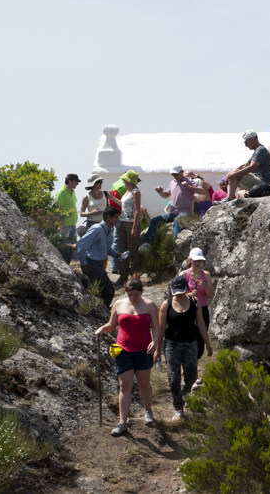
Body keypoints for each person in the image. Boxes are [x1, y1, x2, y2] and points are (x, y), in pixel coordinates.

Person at [94, 276, 161, 437]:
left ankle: (148, 411)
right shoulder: (118, 304)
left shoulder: (150, 305)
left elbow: (156, 327)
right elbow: (112, 325)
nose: (132, 298)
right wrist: (102, 329)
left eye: (136, 295)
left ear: (141, 292)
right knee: (124, 385)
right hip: (123, 351)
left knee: (144, 384)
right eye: (130, 295)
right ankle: (122, 422)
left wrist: (155, 342)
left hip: (144, 351)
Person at [157, 275, 213, 421]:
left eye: (181, 291)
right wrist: (156, 349)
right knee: (173, 377)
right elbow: (161, 328)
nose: (179, 295)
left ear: (186, 289)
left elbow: (200, 323)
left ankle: (183, 391)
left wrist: (207, 343)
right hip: (171, 344)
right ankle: (178, 407)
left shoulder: (195, 302)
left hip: (191, 343)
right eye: (176, 292)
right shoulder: (166, 304)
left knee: (191, 376)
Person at [140, 165, 208, 251]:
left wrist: (189, 187)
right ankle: (147, 244)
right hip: (173, 213)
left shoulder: (189, 181)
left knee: (177, 221)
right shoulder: (172, 183)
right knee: (155, 220)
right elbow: (166, 195)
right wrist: (160, 192)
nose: (174, 176)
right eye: (172, 175)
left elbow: (202, 192)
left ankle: (174, 246)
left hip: (186, 213)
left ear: (181, 172)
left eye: (176, 174)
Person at [77, 207, 125, 309]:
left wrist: (117, 254)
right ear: (109, 217)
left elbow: (106, 248)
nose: (117, 219)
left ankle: (102, 311)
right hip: (91, 263)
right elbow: (81, 245)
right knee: (106, 290)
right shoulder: (97, 228)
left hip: (98, 264)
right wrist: (83, 263)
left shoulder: (108, 231)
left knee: (110, 289)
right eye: (116, 217)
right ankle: (100, 312)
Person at [224, 131, 270, 200]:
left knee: (236, 174)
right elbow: (245, 165)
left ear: (252, 140)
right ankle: (229, 198)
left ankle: (229, 198)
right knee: (234, 173)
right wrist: (231, 173)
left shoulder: (261, 150)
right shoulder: (257, 150)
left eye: (246, 142)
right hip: (258, 180)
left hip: (262, 182)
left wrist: (234, 174)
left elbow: (252, 167)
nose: (245, 145)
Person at [117, 171, 142, 283]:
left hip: (131, 223)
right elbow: (124, 205)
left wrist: (134, 227)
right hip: (123, 222)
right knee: (122, 251)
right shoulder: (128, 191)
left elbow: (137, 210)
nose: (123, 181)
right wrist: (112, 199)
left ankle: (134, 277)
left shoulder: (135, 192)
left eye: (125, 180)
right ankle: (123, 276)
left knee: (132, 251)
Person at [54, 173, 80, 264]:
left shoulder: (73, 191)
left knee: (73, 245)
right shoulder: (61, 192)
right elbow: (58, 208)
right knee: (63, 245)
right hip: (65, 224)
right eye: (76, 182)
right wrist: (61, 222)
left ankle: (74, 262)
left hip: (72, 223)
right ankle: (63, 263)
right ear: (70, 181)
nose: (77, 184)